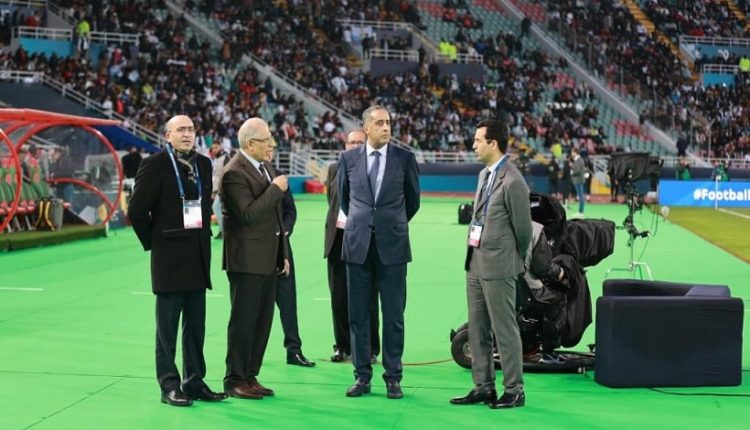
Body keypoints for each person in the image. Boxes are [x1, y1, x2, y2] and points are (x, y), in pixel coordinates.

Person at [128, 115, 227, 407]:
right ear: (167, 135)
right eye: (180, 130)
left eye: (191, 129)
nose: (187, 134)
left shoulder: (204, 164)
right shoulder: (155, 164)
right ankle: (169, 385)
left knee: (196, 327)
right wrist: (155, 242)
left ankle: (194, 381)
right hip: (169, 258)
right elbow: (136, 211)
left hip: (198, 256)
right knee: (167, 330)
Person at [338, 105, 420, 399]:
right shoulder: (348, 159)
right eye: (380, 123)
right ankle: (362, 376)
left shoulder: (405, 159)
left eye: (388, 122)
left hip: (393, 247)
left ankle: (393, 377)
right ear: (366, 128)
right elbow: (345, 199)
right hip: (358, 246)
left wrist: (390, 224)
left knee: (394, 315)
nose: (386, 128)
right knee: (358, 316)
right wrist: (365, 222)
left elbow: (413, 201)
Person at [451, 119, 531, 409]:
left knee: (504, 330)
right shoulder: (484, 174)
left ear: (492, 143)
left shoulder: (513, 181)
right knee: (478, 329)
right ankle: (483, 386)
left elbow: (524, 231)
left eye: (477, 140)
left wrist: (511, 260)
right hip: (475, 262)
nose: (473, 145)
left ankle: (514, 390)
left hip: (499, 266)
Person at [220, 117, 289, 400]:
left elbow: (275, 217)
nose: (272, 144)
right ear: (250, 143)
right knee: (244, 321)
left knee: (262, 322)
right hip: (246, 261)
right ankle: (234, 378)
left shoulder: (264, 167)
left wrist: (283, 253)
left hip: (268, 258)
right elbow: (248, 214)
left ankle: (250, 375)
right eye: (267, 139)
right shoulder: (233, 173)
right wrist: (275, 189)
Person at [324, 129, 381, 364]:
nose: (355, 146)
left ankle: (370, 348)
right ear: (345, 145)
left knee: (367, 299)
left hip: (364, 241)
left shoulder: (374, 169)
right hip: (337, 240)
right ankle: (342, 345)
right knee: (338, 298)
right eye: (351, 142)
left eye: (360, 142)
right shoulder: (334, 169)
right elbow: (332, 200)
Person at [273, 162, 315, 368]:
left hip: (282, 247)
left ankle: (294, 350)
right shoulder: (244, 175)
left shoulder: (280, 176)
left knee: (288, 301)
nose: (269, 150)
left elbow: (290, 210)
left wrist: (285, 231)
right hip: (255, 251)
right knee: (254, 307)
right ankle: (249, 354)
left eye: (271, 147)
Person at [210, 142, 233, 239]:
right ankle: (222, 230)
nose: (214, 149)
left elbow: (229, 174)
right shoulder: (216, 159)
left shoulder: (226, 158)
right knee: (219, 209)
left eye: (216, 147)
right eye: (213, 148)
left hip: (224, 188)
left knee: (216, 207)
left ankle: (224, 231)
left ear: (220, 147)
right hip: (218, 189)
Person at [570, 147, 586, 217]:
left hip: (579, 180)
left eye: (572, 152)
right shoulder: (577, 160)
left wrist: (572, 173)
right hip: (578, 180)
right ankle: (580, 211)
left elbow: (578, 171)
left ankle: (581, 212)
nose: (571, 153)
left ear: (575, 152)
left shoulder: (579, 160)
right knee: (580, 196)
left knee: (581, 196)